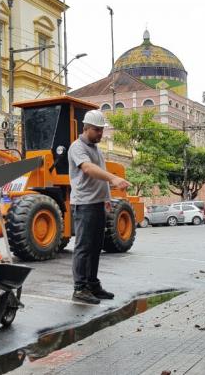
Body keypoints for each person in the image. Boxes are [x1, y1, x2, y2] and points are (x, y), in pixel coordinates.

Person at [67, 110, 131, 304]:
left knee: (95, 247)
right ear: (86, 128)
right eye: (97, 130)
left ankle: (92, 285)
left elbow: (99, 177)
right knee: (83, 247)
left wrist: (107, 199)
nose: (100, 134)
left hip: (97, 204)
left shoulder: (95, 148)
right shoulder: (77, 147)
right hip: (84, 204)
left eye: (102, 130)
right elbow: (87, 169)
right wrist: (113, 177)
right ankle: (80, 288)